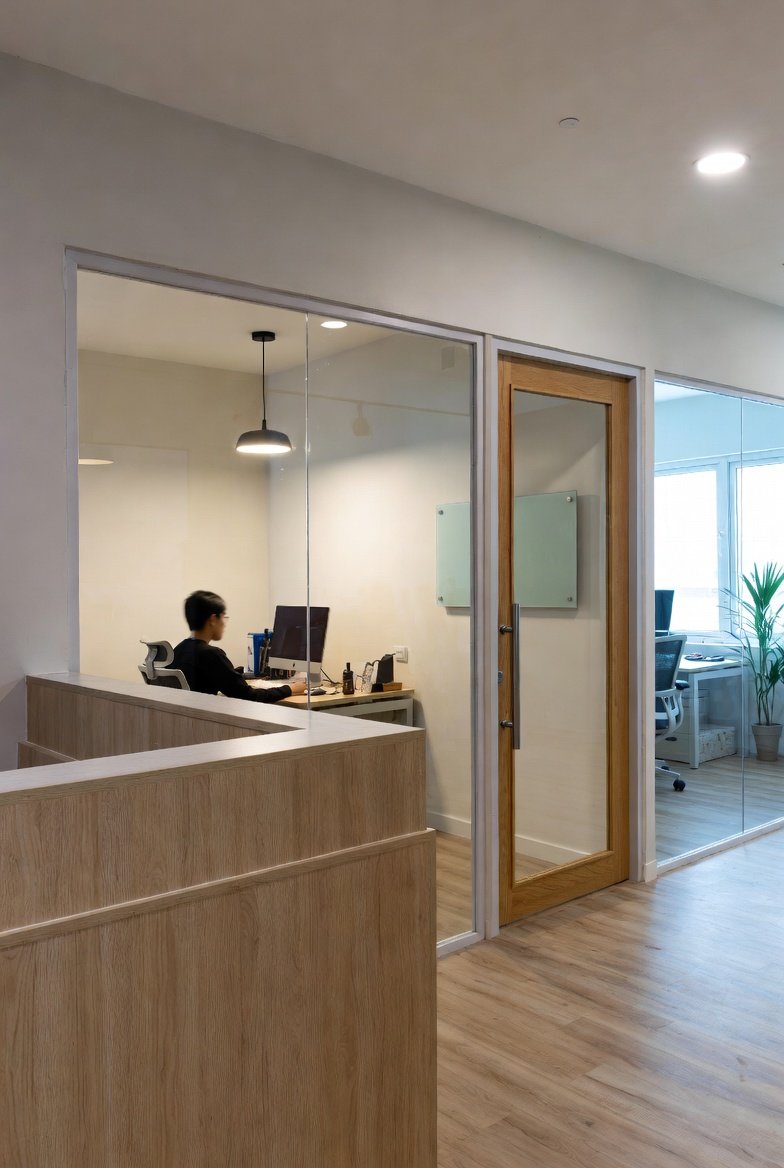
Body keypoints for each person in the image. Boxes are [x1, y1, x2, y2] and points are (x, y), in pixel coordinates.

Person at [171, 590, 307, 702]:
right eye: (223, 617)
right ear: (213, 620)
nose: (224, 623)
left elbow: (209, 677)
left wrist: (234, 673)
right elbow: (249, 696)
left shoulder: (178, 650)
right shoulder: (210, 655)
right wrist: (290, 689)